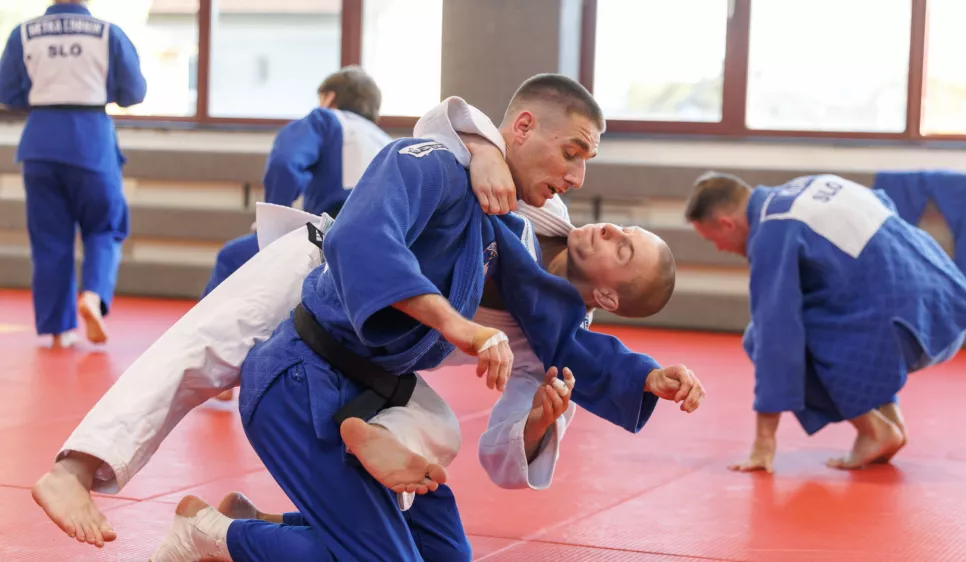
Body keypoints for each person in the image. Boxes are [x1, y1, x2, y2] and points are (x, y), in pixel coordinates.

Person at [33, 85, 697, 554]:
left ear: (609, 298)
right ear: (521, 132)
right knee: (202, 350)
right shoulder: (531, 205)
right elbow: (445, 130)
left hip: (377, 358)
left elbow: (505, 449)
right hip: (323, 262)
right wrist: (482, 146)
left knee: (436, 433)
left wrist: (565, 411)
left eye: (625, 248)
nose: (593, 203)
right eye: (574, 157)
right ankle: (73, 470)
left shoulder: (545, 318)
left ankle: (270, 526)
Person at [684, 171, 966, 472]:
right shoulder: (816, 183)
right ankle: (890, 423)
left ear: (727, 223)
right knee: (841, 300)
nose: (720, 249)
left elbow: (774, 335)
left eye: (714, 240)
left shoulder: (771, 230)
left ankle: (873, 430)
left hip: (907, 331)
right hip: (947, 310)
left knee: (764, 335)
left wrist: (765, 441)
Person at [0, 0, 146, 347]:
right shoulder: (108, 33)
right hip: (90, 141)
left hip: (40, 142)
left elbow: (7, 91)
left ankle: (57, 331)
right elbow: (134, 93)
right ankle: (92, 296)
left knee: (49, 239)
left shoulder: (25, 33)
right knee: (105, 227)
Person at [201, 66, 390, 298]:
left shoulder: (324, 119)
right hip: (381, 255)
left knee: (231, 258)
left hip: (328, 242)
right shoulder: (387, 143)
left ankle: (203, 335)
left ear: (329, 98)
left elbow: (285, 164)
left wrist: (272, 221)